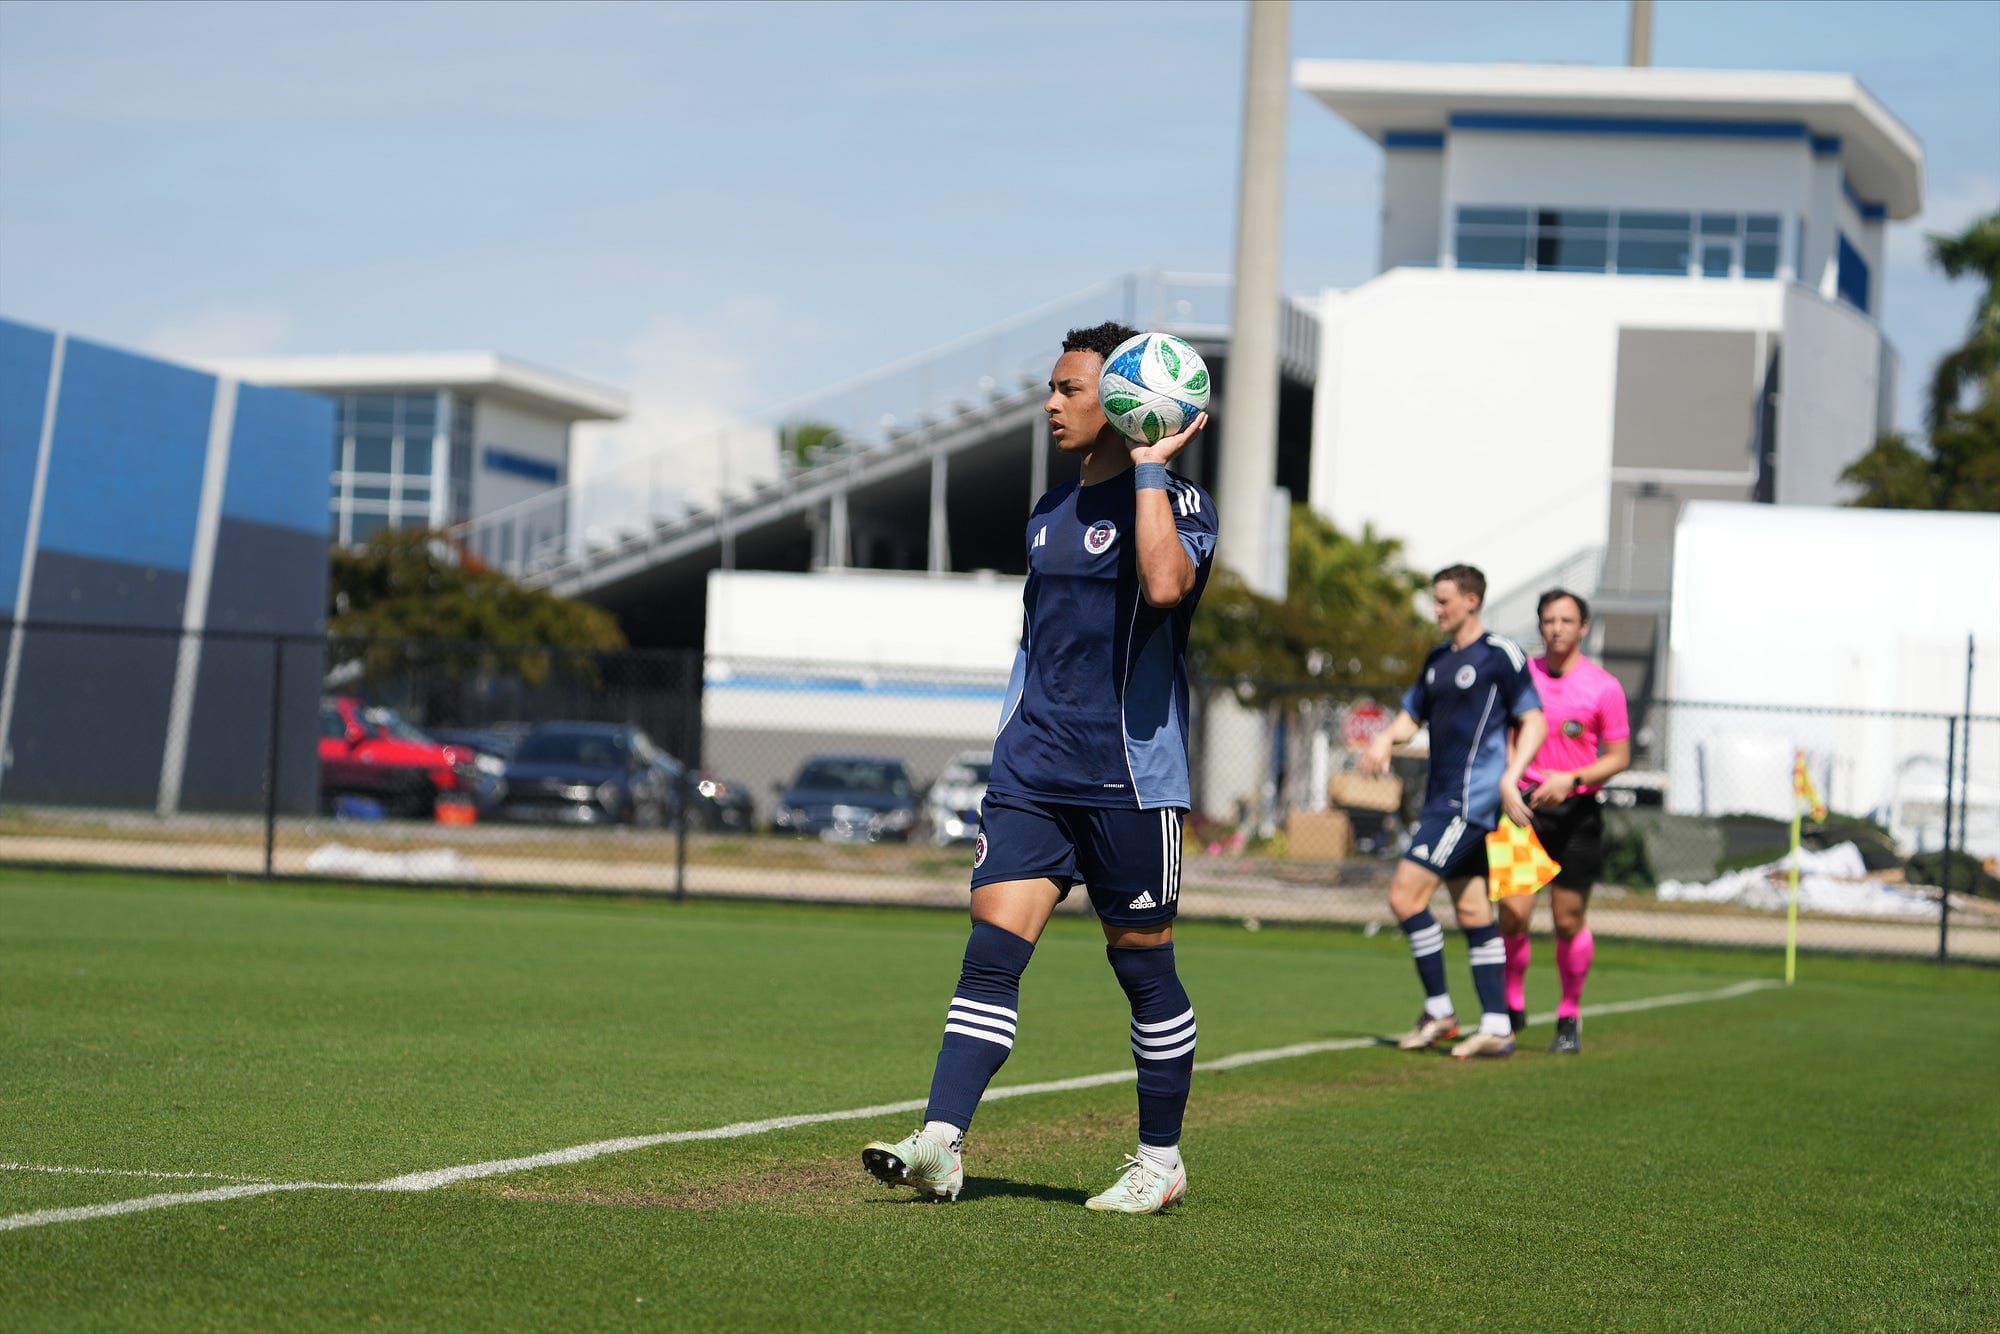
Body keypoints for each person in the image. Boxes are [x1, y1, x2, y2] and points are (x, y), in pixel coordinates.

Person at [861, 322, 1217, 1213]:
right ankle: (941, 1143)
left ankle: (1160, 1162)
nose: (1050, 404)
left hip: (1130, 779)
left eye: (1069, 389)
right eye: (1051, 388)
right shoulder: (1048, 512)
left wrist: (1149, 467)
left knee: (1143, 971)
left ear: (1124, 400)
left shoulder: (1181, 504)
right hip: (1030, 773)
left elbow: (1165, 587)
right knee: (989, 955)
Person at [1361, 565, 1545, 1059]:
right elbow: (1410, 717)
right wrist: (1384, 738)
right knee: (1471, 910)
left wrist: (1510, 776)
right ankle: (1497, 1026)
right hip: (1441, 799)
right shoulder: (1438, 659)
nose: (1436, 609)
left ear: (1471, 600)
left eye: (1444, 601)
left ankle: (1440, 1010)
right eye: (1435, 600)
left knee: (1405, 897)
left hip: (1469, 800)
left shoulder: (1499, 654)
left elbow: (1534, 721)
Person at [1497, 589, 1630, 1054]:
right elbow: (1505, 734)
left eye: (1566, 620)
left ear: (1583, 628)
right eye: (1549, 620)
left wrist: (1571, 780)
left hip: (1576, 814)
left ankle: (1569, 1013)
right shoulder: (1521, 677)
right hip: (1522, 810)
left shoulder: (1603, 687)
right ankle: (1511, 1006)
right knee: (1512, 914)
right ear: (1540, 626)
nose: (1556, 629)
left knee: (1567, 920)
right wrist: (1510, 779)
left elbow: (1618, 757)